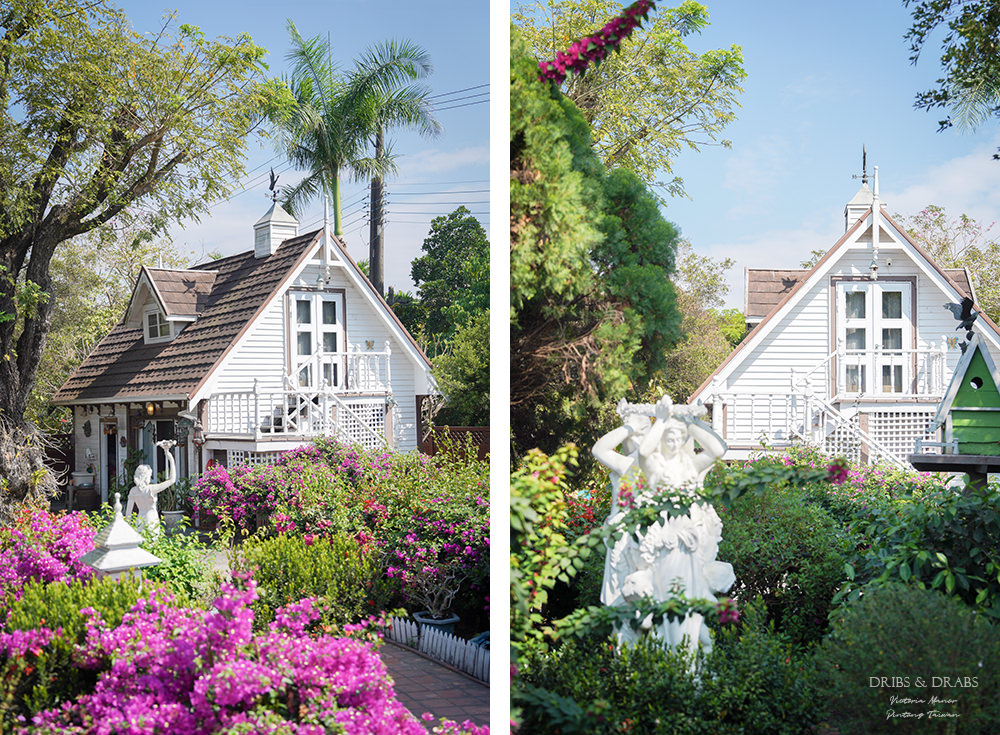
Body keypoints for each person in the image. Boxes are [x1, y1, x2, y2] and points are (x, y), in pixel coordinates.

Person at [594, 395, 735, 654]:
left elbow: (718, 450)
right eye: (667, 438)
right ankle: (660, 657)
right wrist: (654, 422)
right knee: (658, 605)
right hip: (656, 545)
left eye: (677, 438)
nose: (672, 442)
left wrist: (691, 422)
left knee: (687, 607)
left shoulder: (689, 467)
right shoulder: (647, 469)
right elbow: (636, 452)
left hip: (686, 547)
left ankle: (686, 662)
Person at [125, 439, 177, 535]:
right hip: (151, 519)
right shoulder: (151, 489)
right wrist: (171, 459)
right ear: (146, 476)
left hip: (139, 520)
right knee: (152, 543)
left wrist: (128, 527)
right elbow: (172, 480)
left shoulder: (133, 491)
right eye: (150, 475)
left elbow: (128, 514)